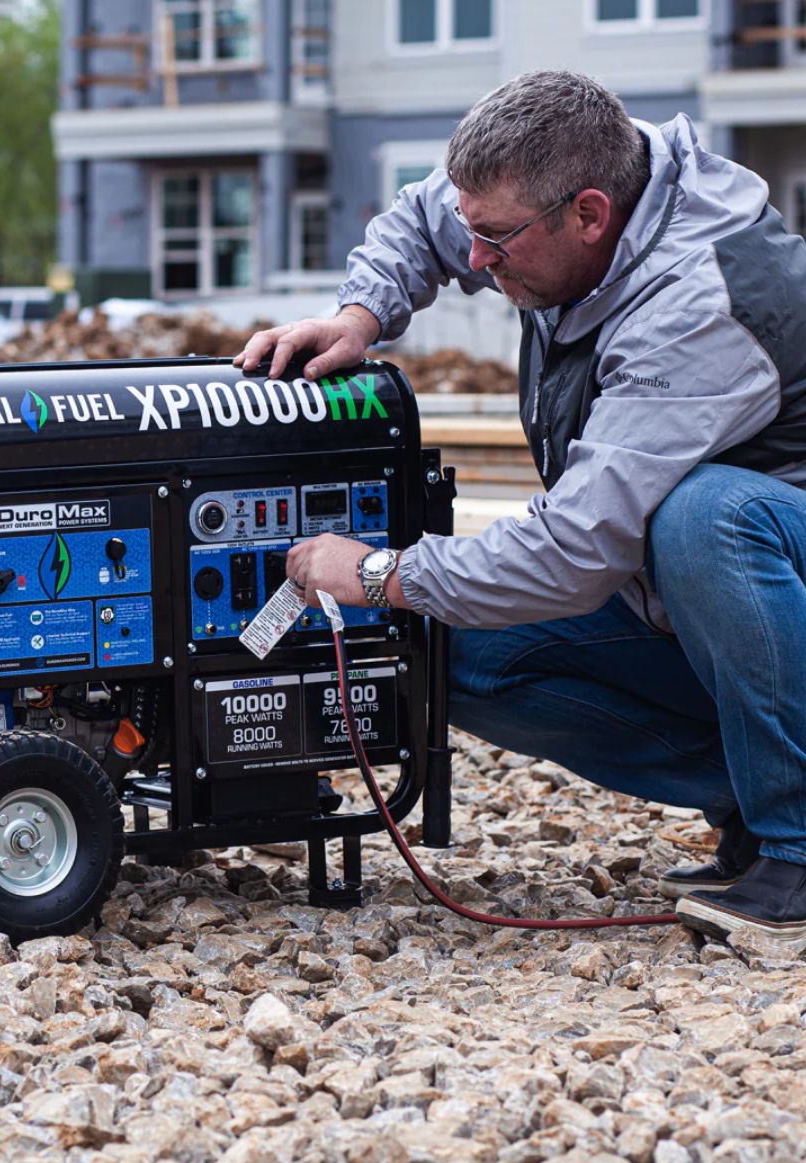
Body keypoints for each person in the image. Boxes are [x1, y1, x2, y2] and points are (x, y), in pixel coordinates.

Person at [235, 70, 806, 947]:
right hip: (696, 605)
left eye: (497, 240)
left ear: (588, 214)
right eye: (474, 231)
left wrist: (381, 571)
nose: (474, 261)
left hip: (765, 562)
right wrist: (361, 312)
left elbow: (577, 547)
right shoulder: (558, 181)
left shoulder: (699, 301)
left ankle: (797, 845)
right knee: (443, 651)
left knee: (707, 516)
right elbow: (422, 220)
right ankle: (752, 796)